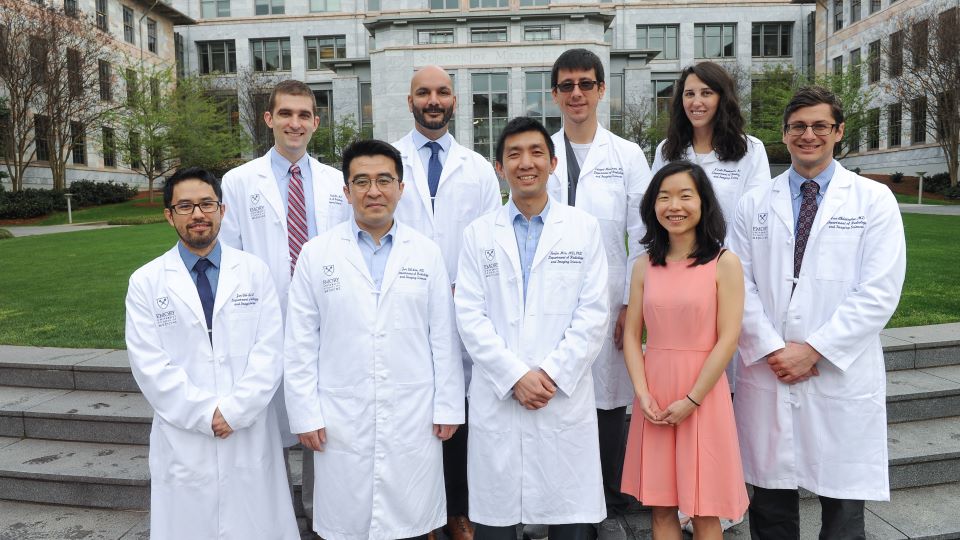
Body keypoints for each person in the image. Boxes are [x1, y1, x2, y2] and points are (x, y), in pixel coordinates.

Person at [731, 86, 906, 539]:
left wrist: (814, 350)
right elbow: (735, 287)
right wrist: (773, 348)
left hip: (837, 370)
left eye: (820, 126)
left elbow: (879, 291)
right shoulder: (752, 204)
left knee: (844, 507)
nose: (809, 135)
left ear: (838, 132)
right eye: (798, 127)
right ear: (785, 134)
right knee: (769, 506)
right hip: (768, 369)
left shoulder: (873, 200)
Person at [284, 139, 465, 540]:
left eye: (385, 179)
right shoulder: (316, 255)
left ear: (401, 187)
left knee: (411, 520)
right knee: (348, 523)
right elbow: (299, 343)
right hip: (340, 414)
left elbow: (444, 338)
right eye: (361, 181)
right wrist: (305, 413)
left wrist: (449, 405)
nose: (374, 191)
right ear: (346, 192)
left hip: (412, 412)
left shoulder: (427, 253)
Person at [456, 117, 609, 540]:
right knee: (495, 523)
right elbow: (469, 315)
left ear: (553, 162)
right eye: (514, 154)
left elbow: (593, 314)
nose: (526, 163)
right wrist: (515, 376)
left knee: (570, 522)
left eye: (536, 152)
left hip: (560, 396)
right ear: (499, 167)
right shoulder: (477, 235)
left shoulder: (583, 229)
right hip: (499, 396)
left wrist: (550, 374)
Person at [125, 167, 298, 540]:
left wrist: (235, 410)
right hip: (185, 434)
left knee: (257, 524)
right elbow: (150, 365)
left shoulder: (254, 271)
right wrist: (205, 414)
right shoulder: (146, 282)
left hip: (247, 427)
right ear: (169, 215)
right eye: (185, 206)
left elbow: (270, 349)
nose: (198, 214)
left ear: (223, 210)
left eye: (207, 204)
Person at [220, 79, 350, 522]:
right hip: (265, 320)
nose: (295, 123)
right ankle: (272, 514)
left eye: (304, 115)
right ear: (269, 119)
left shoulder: (337, 183)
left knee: (321, 419)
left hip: (326, 318)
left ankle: (318, 512)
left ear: (315, 122)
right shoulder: (238, 182)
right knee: (266, 423)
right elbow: (231, 258)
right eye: (286, 114)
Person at [393, 65, 503, 540]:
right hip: (402, 306)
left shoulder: (476, 168)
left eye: (441, 92)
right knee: (413, 404)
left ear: (455, 101)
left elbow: (489, 243)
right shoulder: (389, 160)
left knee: (458, 407)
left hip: (463, 309)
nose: (433, 100)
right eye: (424, 93)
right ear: (410, 100)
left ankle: (457, 508)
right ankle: (420, 511)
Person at [547, 48, 651, 539]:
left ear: (601, 90)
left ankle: (608, 496)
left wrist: (631, 303)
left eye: (586, 84)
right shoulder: (538, 151)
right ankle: (556, 497)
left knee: (608, 397)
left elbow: (643, 233)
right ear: (555, 94)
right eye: (567, 85)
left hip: (609, 295)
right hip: (549, 297)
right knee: (556, 390)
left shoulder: (627, 155)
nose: (577, 94)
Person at [619, 161, 749, 539]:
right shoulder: (644, 265)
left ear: (704, 203)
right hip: (655, 394)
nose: (673, 206)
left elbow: (729, 338)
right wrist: (642, 394)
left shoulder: (725, 263)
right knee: (661, 509)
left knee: (705, 510)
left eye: (684, 196)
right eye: (663, 197)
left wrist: (692, 399)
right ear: (652, 207)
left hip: (703, 395)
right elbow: (631, 336)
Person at [651, 61, 771, 402]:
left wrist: (718, 266)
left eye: (706, 93)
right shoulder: (667, 151)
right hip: (678, 276)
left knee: (723, 372)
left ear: (723, 98)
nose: (696, 102)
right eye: (689, 94)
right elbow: (657, 210)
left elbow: (754, 219)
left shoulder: (750, 150)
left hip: (728, 274)